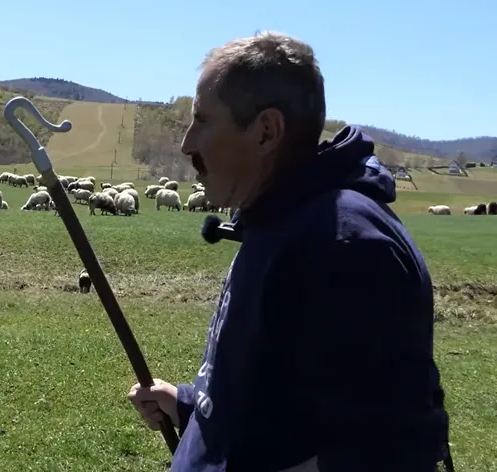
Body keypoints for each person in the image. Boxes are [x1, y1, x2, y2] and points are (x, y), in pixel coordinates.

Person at [128, 31, 451, 472]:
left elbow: (385, 448)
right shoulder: (279, 221)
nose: (187, 144)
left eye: (202, 120)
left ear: (266, 132)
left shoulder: (345, 247)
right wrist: (191, 406)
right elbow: (284, 405)